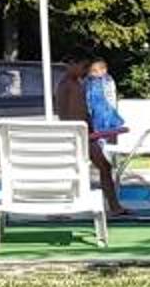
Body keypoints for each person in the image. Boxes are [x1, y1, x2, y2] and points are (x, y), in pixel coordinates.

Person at [53, 58, 126, 213]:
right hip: (80, 136)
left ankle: (114, 206)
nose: (85, 70)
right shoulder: (73, 86)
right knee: (105, 167)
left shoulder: (66, 84)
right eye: (83, 66)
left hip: (75, 134)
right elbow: (77, 116)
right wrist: (94, 132)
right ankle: (114, 206)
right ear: (71, 65)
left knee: (104, 166)